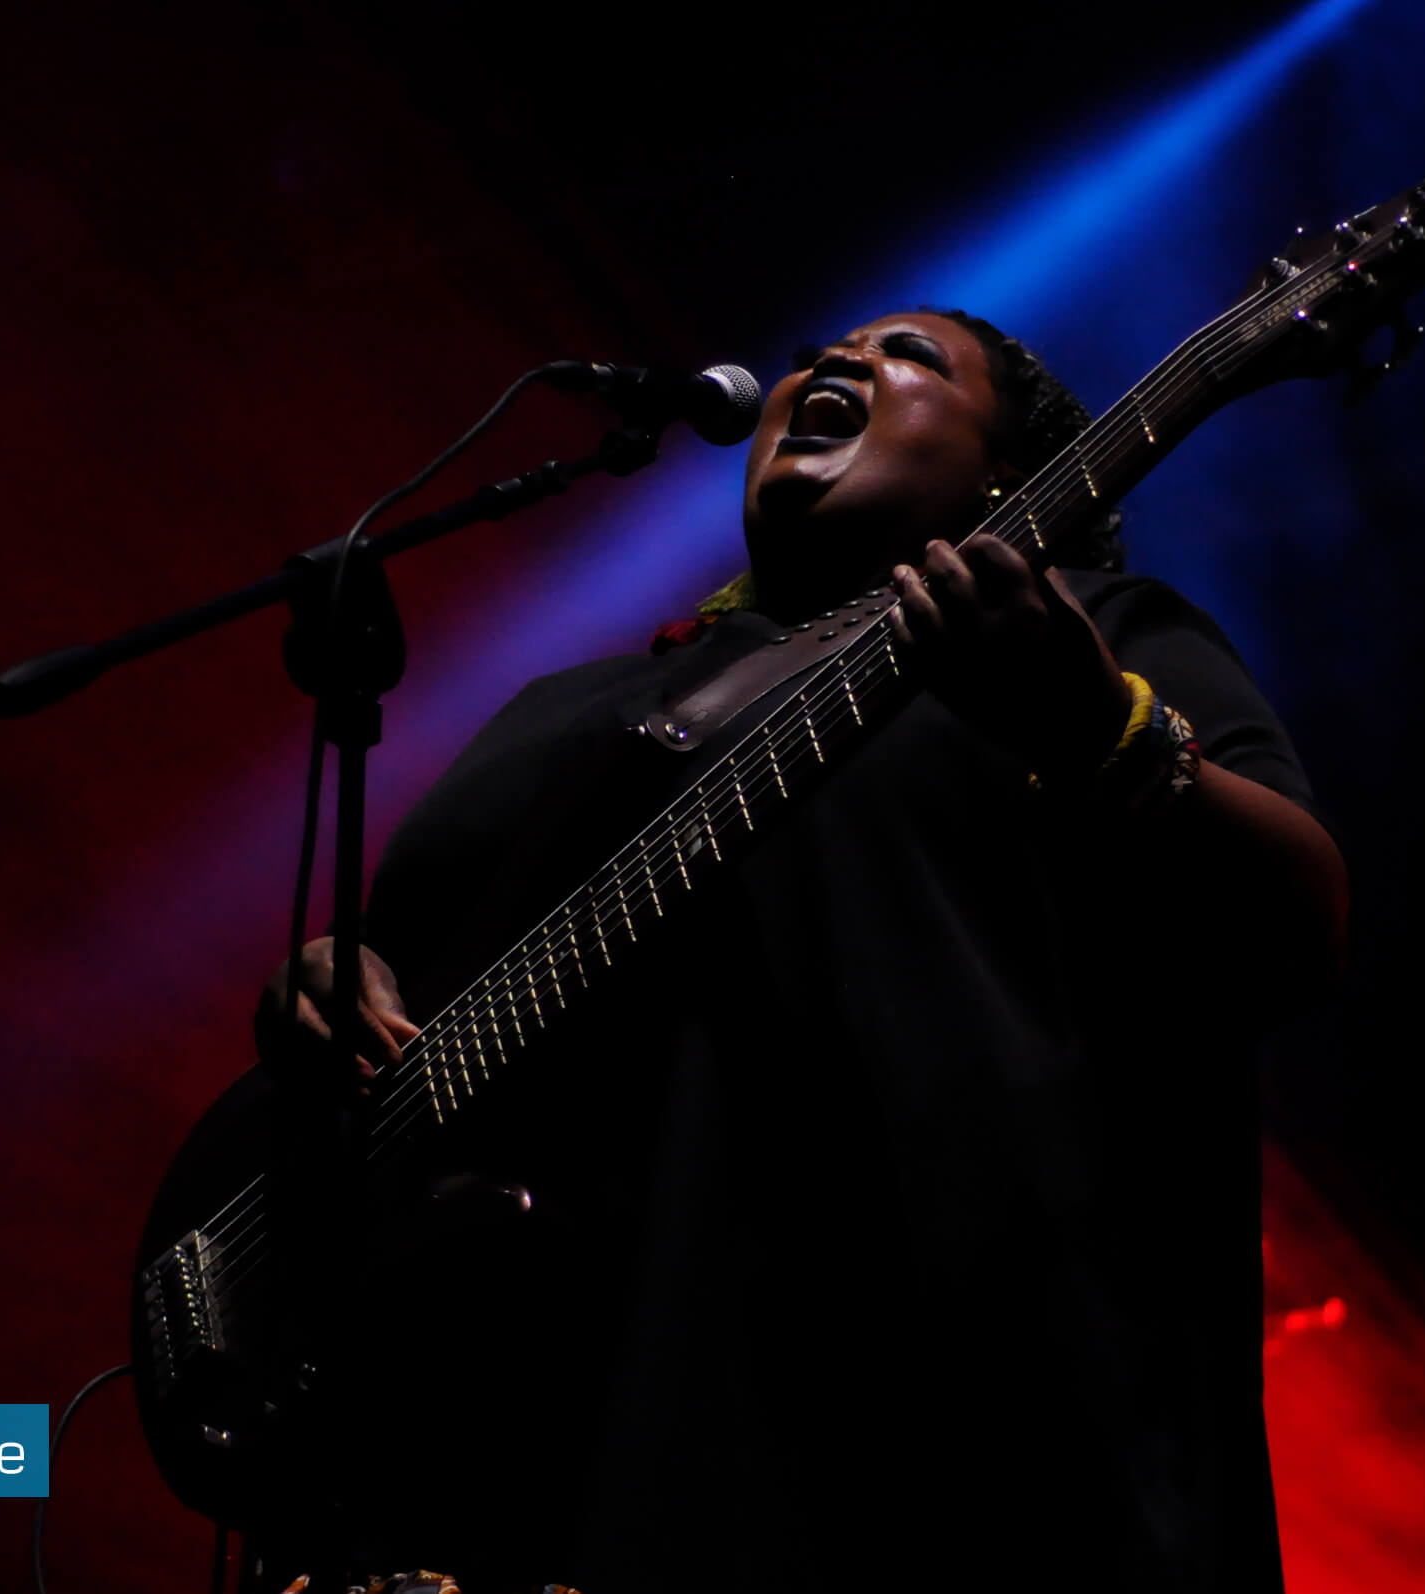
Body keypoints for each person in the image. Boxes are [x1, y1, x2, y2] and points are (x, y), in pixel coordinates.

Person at [254, 309, 1349, 1593]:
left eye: (911, 357)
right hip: (482, 1453)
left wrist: (1090, 718)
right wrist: (331, 979)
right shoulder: (569, 705)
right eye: (823, 353)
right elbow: (416, 970)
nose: (838, 363)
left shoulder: (1095, 630)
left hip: (882, 1434)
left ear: (1008, 478)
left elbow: (1297, 922)